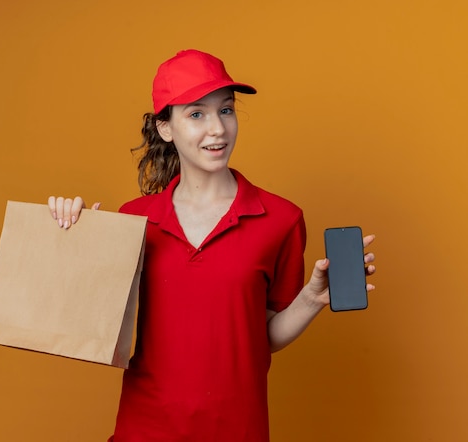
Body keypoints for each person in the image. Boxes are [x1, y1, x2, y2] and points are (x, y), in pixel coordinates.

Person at [48, 49, 376, 442]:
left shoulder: (282, 219)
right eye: (196, 114)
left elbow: (262, 338)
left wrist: (311, 298)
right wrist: (69, 234)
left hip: (237, 429)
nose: (218, 129)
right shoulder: (133, 218)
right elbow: (92, 324)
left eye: (226, 110)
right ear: (165, 128)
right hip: (146, 428)